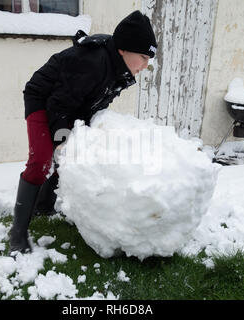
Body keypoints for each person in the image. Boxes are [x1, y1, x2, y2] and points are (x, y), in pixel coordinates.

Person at [9, 10, 158, 254]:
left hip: (69, 105)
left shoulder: (119, 69)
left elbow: (94, 102)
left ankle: (44, 206)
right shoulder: (93, 62)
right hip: (43, 98)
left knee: (66, 154)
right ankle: (17, 233)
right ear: (124, 49)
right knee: (43, 159)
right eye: (143, 57)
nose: (145, 65)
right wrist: (62, 139)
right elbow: (58, 103)